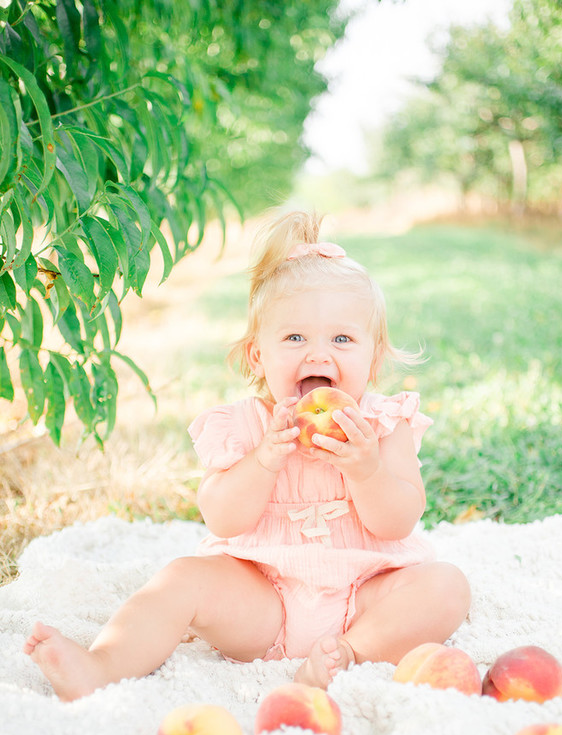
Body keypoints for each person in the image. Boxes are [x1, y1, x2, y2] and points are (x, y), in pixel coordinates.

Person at [24, 210, 471, 701]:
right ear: (258, 355)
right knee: (181, 578)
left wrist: (366, 470)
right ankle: (101, 665)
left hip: (365, 597)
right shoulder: (244, 425)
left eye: (342, 339)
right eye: (295, 338)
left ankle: (348, 653)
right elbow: (221, 518)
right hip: (264, 599)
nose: (318, 355)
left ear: (374, 356)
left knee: (446, 585)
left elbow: (399, 521)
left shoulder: (385, 424)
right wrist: (263, 461)